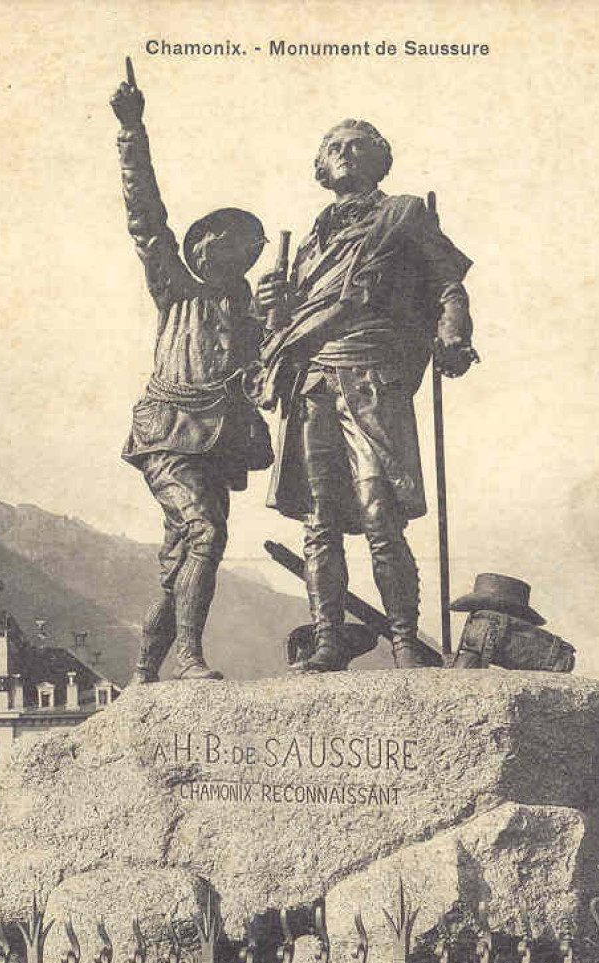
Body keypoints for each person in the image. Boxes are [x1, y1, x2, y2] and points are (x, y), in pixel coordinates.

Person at [255, 120, 478, 673]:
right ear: (321, 168)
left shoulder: (402, 214)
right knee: (319, 519)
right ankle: (328, 639)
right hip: (312, 386)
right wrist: (273, 307)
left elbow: (448, 284)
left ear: (381, 160)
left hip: (373, 379)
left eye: (359, 145)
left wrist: (455, 331)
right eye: (333, 147)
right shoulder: (307, 245)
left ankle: (404, 639)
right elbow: (285, 327)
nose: (345, 153)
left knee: (380, 514)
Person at [111, 70, 272, 682]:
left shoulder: (247, 311)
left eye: (250, 252)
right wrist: (132, 130)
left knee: (182, 549)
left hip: (217, 441)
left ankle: (146, 668)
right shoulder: (175, 287)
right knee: (204, 530)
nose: (239, 257)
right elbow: (144, 212)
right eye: (231, 245)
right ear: (203, 245)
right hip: (167, 431)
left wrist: (273, 322)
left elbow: (261, 379)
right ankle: (187, 654)